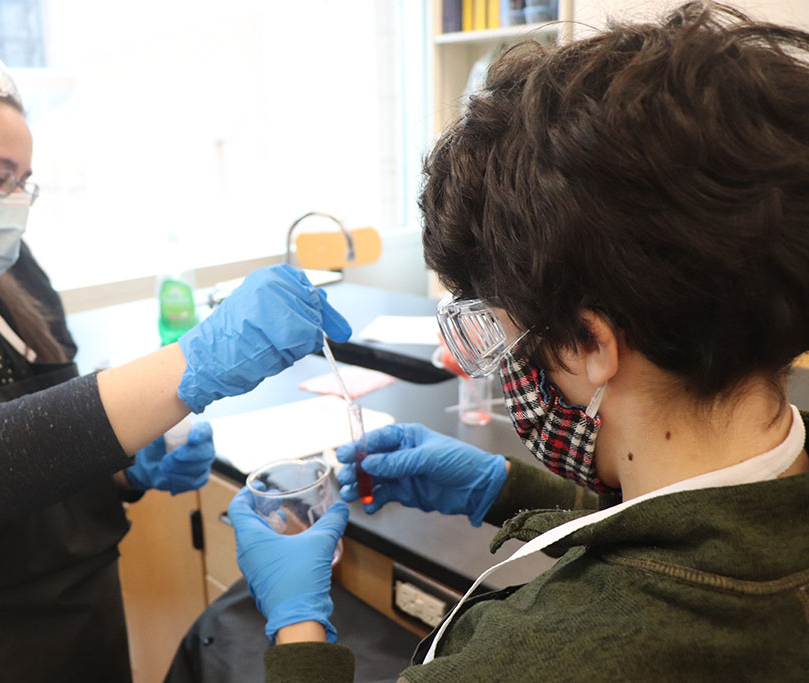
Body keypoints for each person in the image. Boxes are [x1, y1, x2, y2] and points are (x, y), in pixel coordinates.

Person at [226, 2, 809, 680]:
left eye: (495, 330)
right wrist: (504, 489)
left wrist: (298, 627)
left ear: (590, 342)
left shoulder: (530, 661)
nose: (501, 364)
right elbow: (705, 532)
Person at [0, 52, 351, 682]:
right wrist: (197, 359)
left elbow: (38, 442)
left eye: (22, 182)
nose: (13, 203)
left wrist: (122, 469)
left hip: (70, 631)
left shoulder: (3, 274)